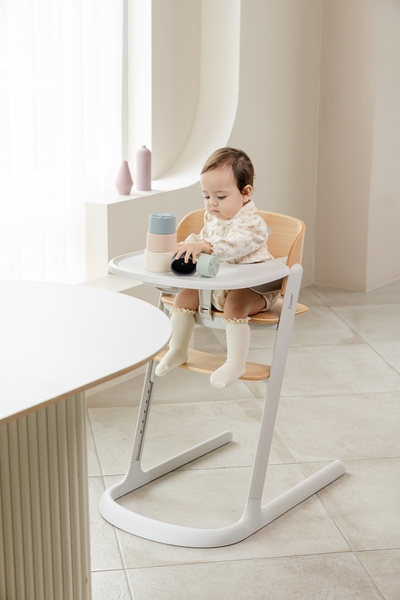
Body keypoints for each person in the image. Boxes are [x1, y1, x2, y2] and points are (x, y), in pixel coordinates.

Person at [155, 147, 279, 388]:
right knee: (184, 296)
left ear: (245, 193)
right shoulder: (212, 219)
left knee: (235, 304)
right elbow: (203, 238)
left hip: (255, 289)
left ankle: (235, 363)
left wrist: (206, 246)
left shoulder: (253, 224)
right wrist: (187, 245)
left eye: (220, 197)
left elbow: (235, 245)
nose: (212, 204)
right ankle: (178, 349)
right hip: (219, 284)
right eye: (206, 196)